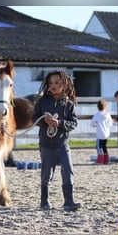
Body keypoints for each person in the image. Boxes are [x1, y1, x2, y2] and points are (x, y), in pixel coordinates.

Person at [32, 70, 81, 211]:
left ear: (64, 84)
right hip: (46, 145)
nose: (53, 85)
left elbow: (73, 123)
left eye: (57, 83)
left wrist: (59, 123)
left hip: (62, 145)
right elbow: (34, 118)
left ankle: (69, 201)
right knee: (46, 173)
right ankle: (44, 201)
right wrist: (44, 121)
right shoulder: (42, 102)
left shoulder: (69, 105)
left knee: (68, 171)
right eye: (51, 83)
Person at [90, 99, 113, 164]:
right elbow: (110, 124)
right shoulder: (108, 115)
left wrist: (96, 124)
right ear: (105, 107)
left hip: (100, 134)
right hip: (106, 133)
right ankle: (106, 160)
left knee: (98, 147)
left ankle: (100, 160)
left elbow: (92, 124)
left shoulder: (97, 115)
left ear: (98, 107)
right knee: (104, 146)